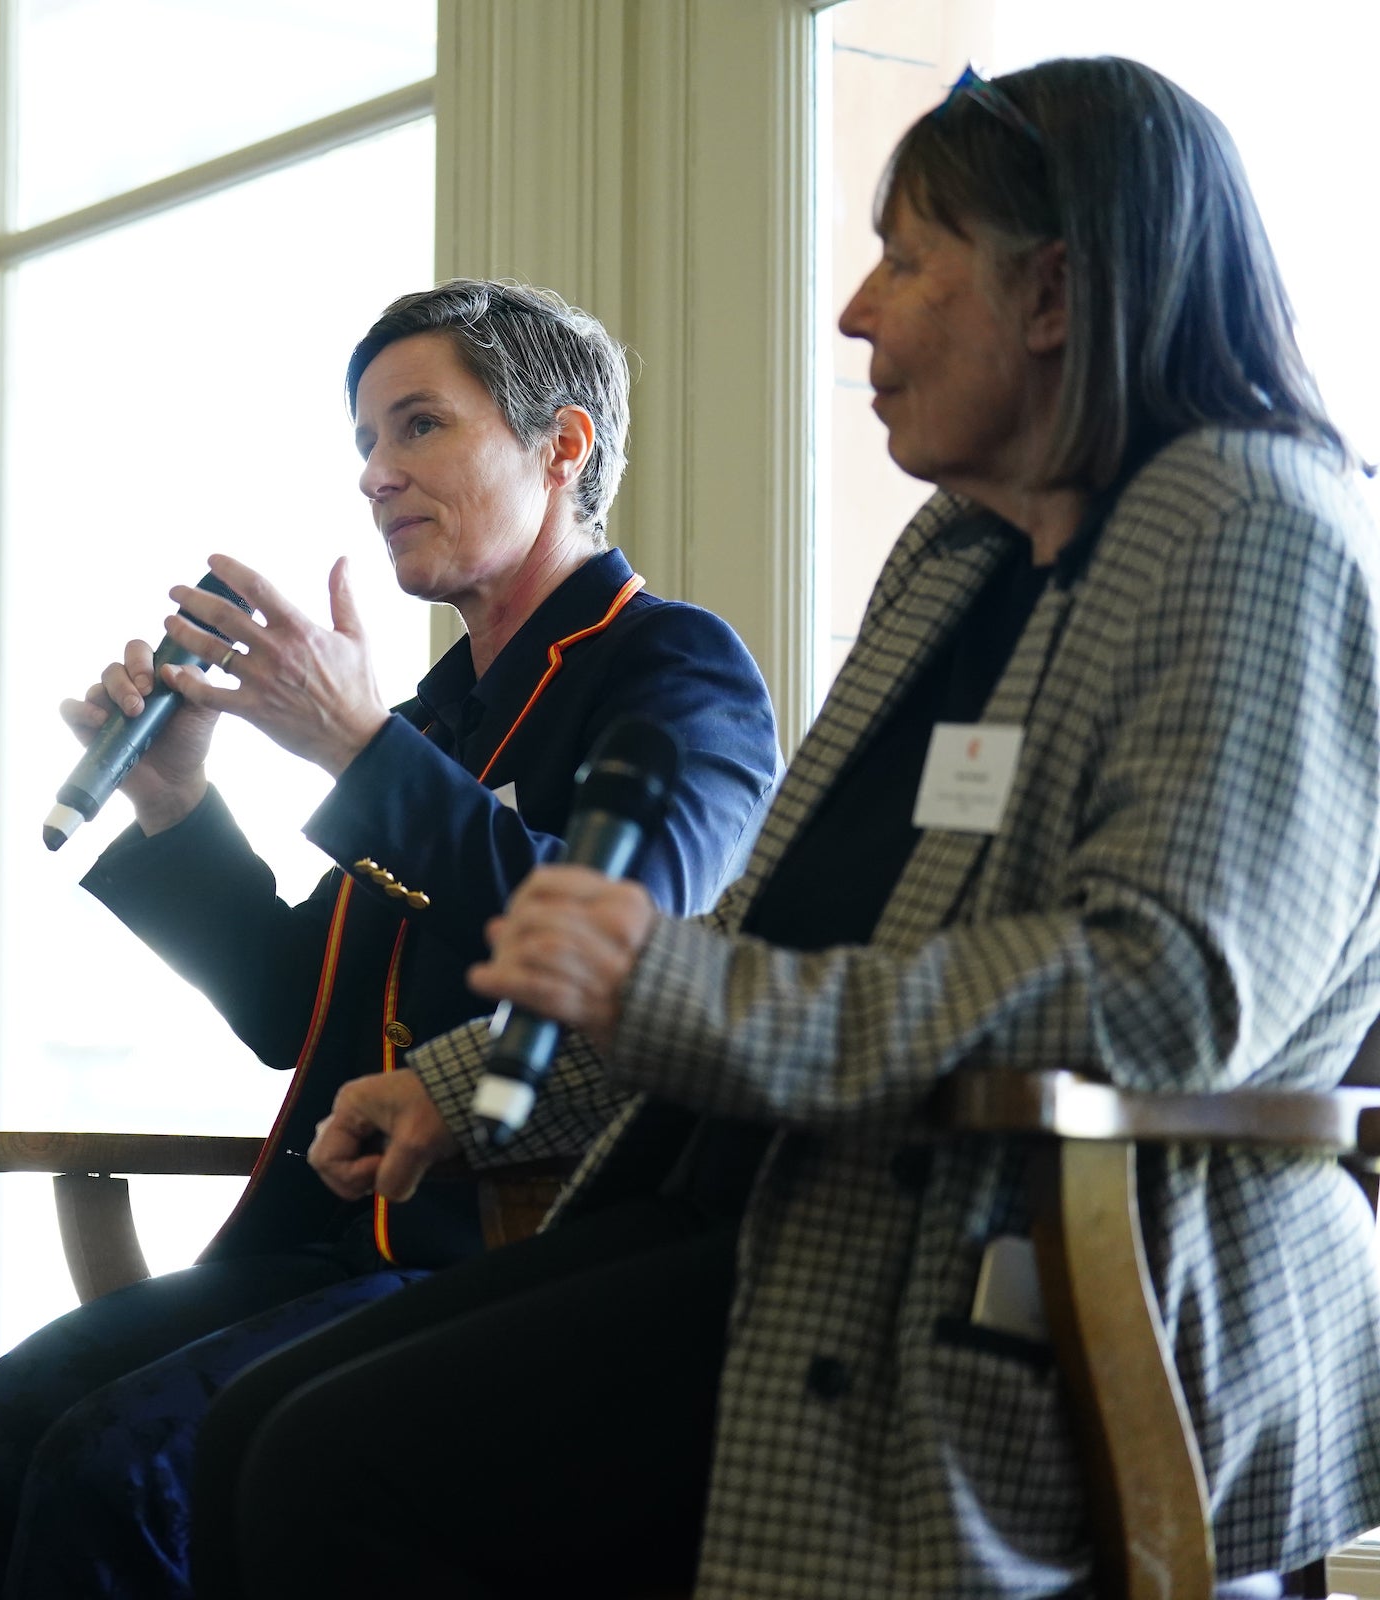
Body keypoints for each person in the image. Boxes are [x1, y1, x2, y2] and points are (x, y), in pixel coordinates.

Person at [189, 57, 1380, 1600]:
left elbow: (1166, 998)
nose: (855, 313)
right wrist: (460, 1082)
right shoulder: (958, 558)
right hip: (775, 1202)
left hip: (1009, 1263)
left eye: (906, 257)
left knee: (325, 1470)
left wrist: (656, 993)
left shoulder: (1252, 529)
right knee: (256, 1439)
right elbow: (773, 941)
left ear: (1056, 295)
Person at [0, 281, 781, 1597]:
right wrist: (177, 804)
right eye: (364, 442)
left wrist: (358, 746)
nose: (377, 475)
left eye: (419, 427)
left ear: (564, 446)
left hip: (493, 1249)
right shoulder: (432, 711)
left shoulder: (673, 668)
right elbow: (287, 1008)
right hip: (311, 1241)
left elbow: (622, 946)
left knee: (108, 1473)